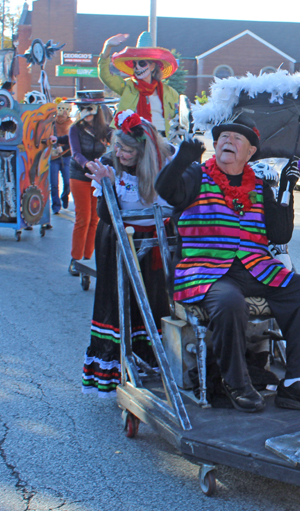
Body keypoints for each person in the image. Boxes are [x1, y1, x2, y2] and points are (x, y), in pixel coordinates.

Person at [155, 115, 300, 413]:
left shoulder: (259, 185)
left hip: (255, 267)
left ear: (250, 152)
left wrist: (285, 193)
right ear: (215, 145)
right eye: (223, 137)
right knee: (229, 302)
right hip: (206, 270)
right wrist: (182, 159)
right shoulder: (196, 176)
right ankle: (235, 382)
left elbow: (278, 235)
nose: (228, 141)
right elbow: (166, 190)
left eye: (237, 138)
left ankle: (295, 383)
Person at [81, 109, 172, 397]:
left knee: (154, 301)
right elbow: (106, 215)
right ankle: (117, 371)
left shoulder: (162, 168)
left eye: (127, 149)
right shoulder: (108, 166)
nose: (119, 153)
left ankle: (155, 364)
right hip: (117, 244)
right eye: (116, 146)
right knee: (118, 302)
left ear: (142, 151)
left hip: (153, 243)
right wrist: (107, 185)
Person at [67, 90, 116, 276]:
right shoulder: (75, 129)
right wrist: (86, 164)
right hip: (79, 174)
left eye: (89, 108)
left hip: (99, 176)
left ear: (97, 109)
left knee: (96, 218)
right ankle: (75, 258)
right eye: (82, 108)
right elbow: (75, 152)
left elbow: (118, 142)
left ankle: (88, 258)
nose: (86, 112)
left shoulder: (105, 129)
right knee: (83, 217)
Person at [98, 31, 179, 137]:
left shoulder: (169, 92)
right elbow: (105, 76)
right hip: (133, 138)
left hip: (161, 139)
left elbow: (178, 117)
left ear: (152, 66)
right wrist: (107, 46)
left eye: (142, 63)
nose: (137, 67)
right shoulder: (127, 86)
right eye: (134, 63)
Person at [50, 99, 72, 215]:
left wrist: (63, 149)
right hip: (53, 157)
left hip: (66, 156)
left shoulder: (71, 124)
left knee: (68, 181)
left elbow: (73, 140)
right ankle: (56, 205)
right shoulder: (52, 123)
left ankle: (65, 196)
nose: (64, 113)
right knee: (53, 183)